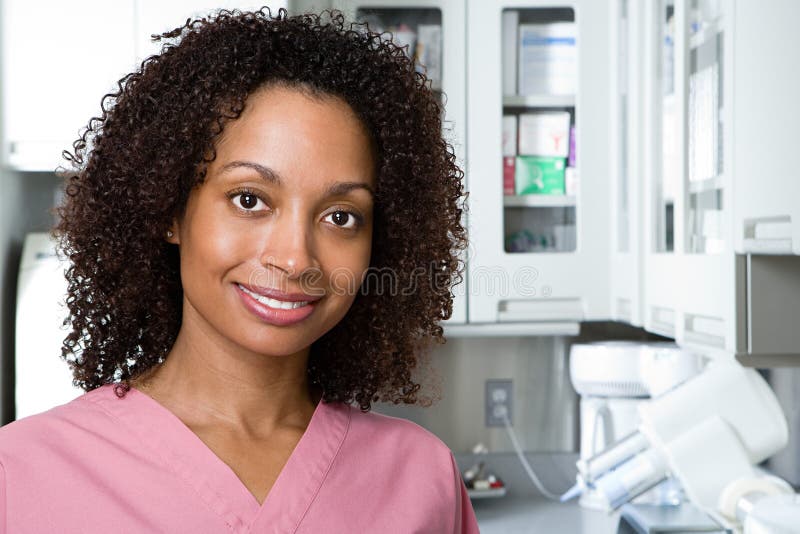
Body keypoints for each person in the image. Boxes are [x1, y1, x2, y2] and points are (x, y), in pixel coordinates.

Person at [0, 7, 477, 533]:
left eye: (341, 216)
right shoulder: (21, 474)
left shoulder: (422, 478)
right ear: (171, 210)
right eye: (249, 199)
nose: (296, 258)